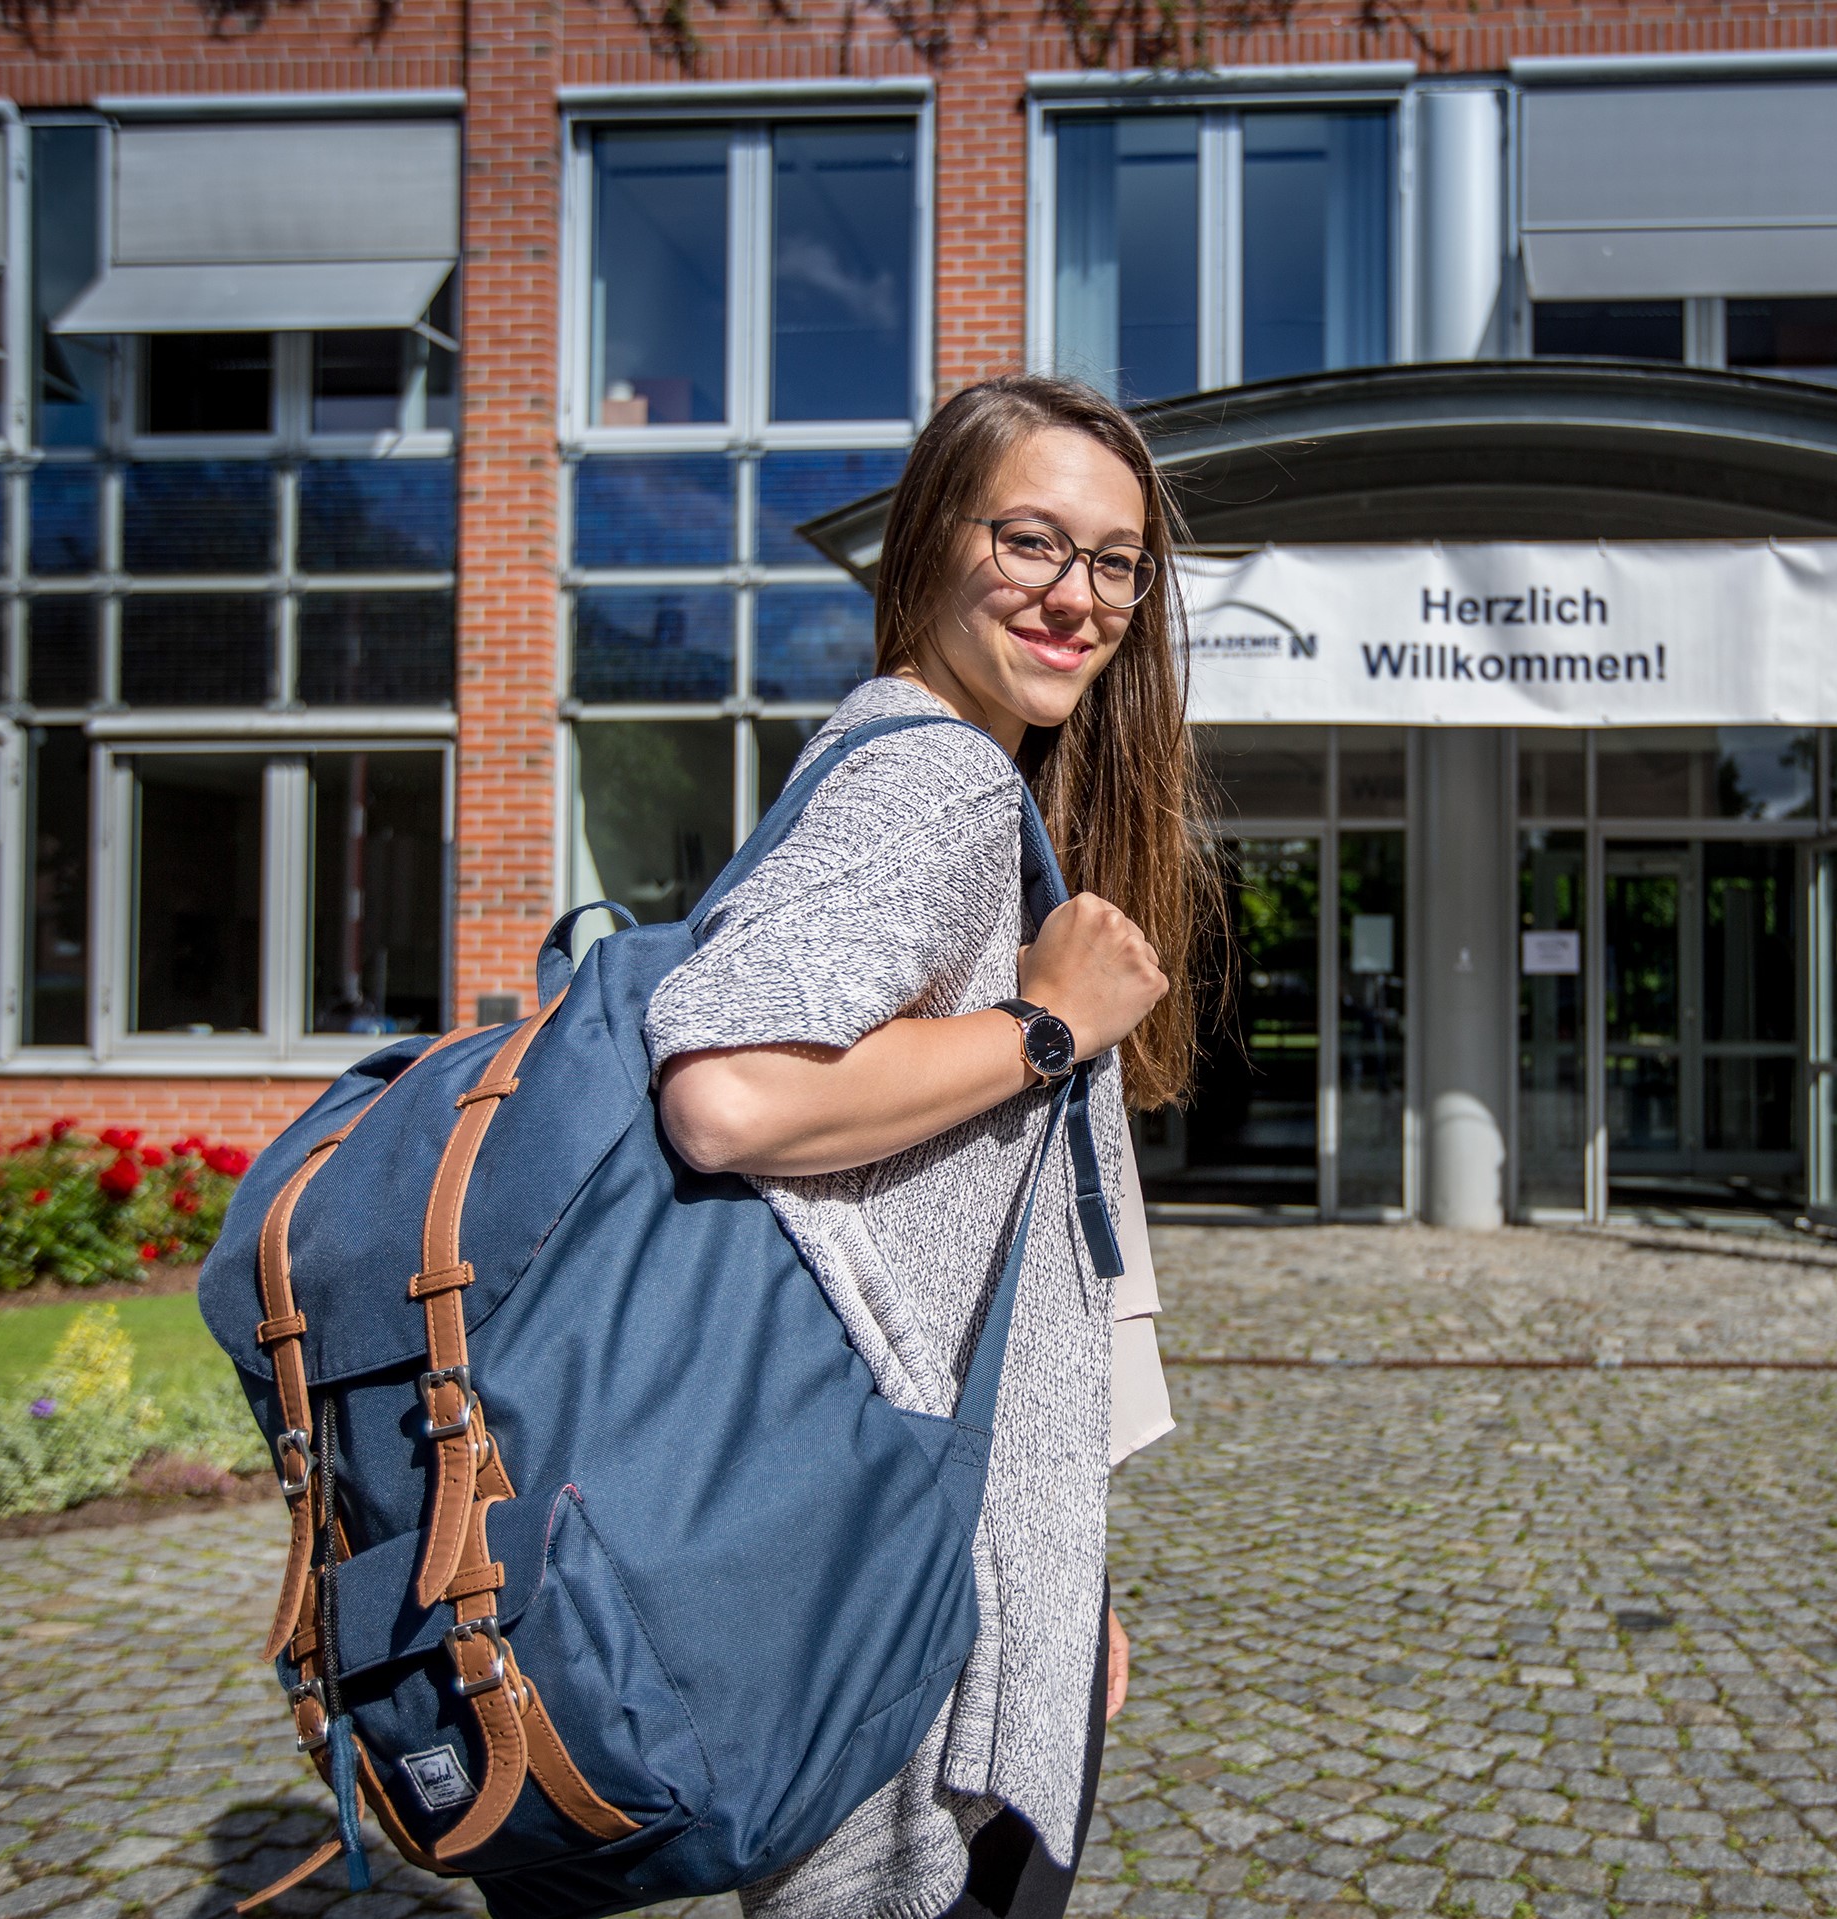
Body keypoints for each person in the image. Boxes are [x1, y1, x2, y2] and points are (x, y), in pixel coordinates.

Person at [646, 372, 1211, 1919]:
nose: (1075, 596)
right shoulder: (932, 777)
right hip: (908, 1611)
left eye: (1114, 561)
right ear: (931, 544)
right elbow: (730, 1090)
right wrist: (1049, 1028)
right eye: (1031, 540)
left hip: (935, 1572)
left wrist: (1066, 1575)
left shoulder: (947, 770)